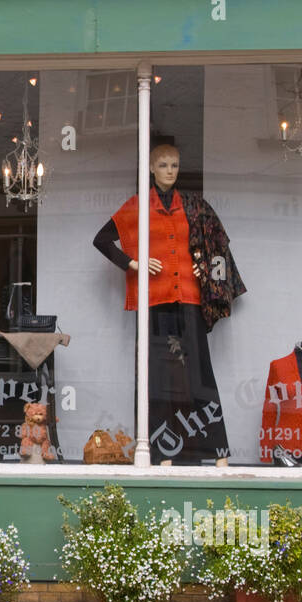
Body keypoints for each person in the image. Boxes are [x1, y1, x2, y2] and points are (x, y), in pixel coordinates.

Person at [94, 144, 246, 466]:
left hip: (188, 299)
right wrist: (132, 263)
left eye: (174, 165)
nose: (170, 171)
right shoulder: (137, 206)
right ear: (151, 168)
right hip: (154, 302)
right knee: (158, 377)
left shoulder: (192, 206)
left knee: (200, 374)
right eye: (163, 165)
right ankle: (162, 452)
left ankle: (219, 453)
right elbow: (102, 240)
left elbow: (214, 243)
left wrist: (202, 264)